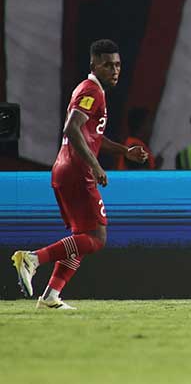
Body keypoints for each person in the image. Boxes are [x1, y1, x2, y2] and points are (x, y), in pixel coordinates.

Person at [11, 40, 149, 309]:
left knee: (82, 239)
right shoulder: (90, 91)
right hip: (77, 171)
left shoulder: (93, 91)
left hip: (65, 170)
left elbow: (92, 134)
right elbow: (72, 129)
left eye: (118, 65)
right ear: (93, 64)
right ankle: (33, 259)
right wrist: (96, 167)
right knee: (97, 238)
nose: (114, 70)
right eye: (107, 65)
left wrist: (124, 151)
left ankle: (51, 295)